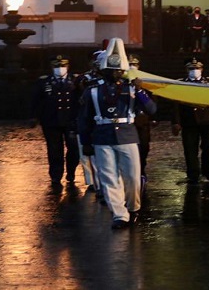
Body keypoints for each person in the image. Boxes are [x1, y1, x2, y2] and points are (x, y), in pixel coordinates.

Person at [79, 38, 157, 229]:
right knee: (108, 177)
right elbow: (84, 119)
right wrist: (86, 141)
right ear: (104, 71)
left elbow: (152, 109)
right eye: (111, 70)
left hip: (127, 135)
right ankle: (119, 214)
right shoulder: (92, 91)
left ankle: (133, 207)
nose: (116, 74)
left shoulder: (132, 89)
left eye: (118, 70)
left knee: (132, 176)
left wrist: (140, 91)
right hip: (102, 136)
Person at [31, 54, 80, 189]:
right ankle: (56, 176)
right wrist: (34, 116)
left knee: (74, 149)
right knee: (54, 150)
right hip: (51, 121)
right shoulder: (44, 82)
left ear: (68, 66)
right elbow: (36, 100)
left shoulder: (76, 80)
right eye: (57, 66)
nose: (60, 68)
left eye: (63, 66)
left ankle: (71, 172)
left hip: (71, 120)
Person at [172, 58, 209, 184]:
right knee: (190, 149)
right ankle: (193, 174)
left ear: (202, 69)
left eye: (197, 68)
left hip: (207, 120)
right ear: (186, 70)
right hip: (189, 121)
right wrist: (176, 122)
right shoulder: (180, 84)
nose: (194, 71)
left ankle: (208, 171)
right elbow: (176, 105)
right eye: (191, 69)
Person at [75, 50, 105, 195]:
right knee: (87, 155)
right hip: (87, 118)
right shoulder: (84, 78)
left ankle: (102, 183)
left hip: (102, 120)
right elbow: (80, 87)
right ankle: (93, 182)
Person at [127, 54, 155, 191]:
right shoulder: (120, 84)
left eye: (135, 65)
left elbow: (152, 106)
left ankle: (141, 171)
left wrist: (139, 90)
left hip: (141, 122)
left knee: (143, 149)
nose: (132, 67)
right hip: (126, 124)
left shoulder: (145, 83)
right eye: (130, 65)